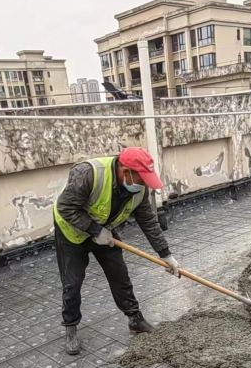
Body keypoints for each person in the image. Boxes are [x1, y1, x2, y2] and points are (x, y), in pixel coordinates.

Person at [53, 147, 180, 355]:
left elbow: (148, 221)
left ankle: (135, 319)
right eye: (141, 178)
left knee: (120, 275)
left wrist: (166, 254)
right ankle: (71, 327)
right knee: (72, 282)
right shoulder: (89, 173)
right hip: (72, 233)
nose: (143, 184)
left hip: (105, 231)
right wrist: (94, 230)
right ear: (125, 170)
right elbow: (65, 207)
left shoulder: (139, 188)